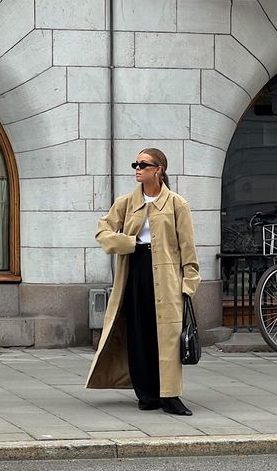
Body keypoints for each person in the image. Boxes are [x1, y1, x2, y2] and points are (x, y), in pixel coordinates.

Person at [86, 148, 201, 416]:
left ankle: (170, 395)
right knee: (138, 333)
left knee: (167, 337)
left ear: (158, 169)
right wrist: (128, 242)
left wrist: (189, 284)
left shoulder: (176, 204)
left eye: (143, 164)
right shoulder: (126, 202)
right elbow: (102, 231)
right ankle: (146, 394)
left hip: (168, 277)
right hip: (136, 271)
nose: (137, 168)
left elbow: (188, 250)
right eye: (135, 164)